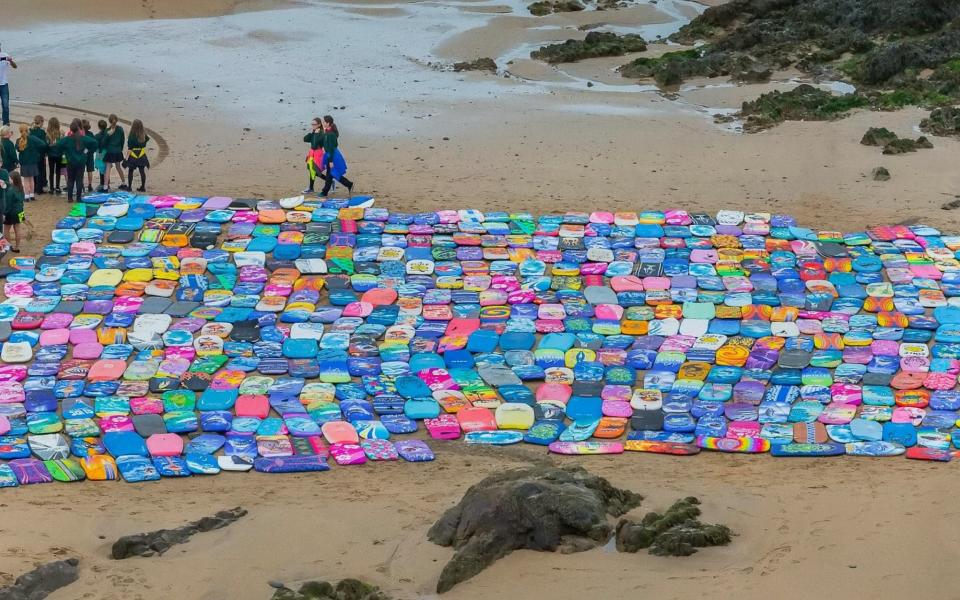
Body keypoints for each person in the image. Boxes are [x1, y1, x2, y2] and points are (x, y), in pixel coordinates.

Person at [57, 118, 97, 203]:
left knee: (70, 179)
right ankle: (78, 198)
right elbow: (95, 143)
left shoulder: (67, 139)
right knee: (79, 179)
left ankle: (70, 198)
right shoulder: (84, 138)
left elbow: (58, 145)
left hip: (71, 162)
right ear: (79, 128)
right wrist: (87, 151)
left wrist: (65, 151)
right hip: (81, 162)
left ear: (71, 129)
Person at [319, 115, 353, 197]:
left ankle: (348, 184)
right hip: (329, 154)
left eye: (324, 121)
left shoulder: (330, 134)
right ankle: (348, 184)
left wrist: (330, 161)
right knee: (330, 174)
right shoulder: (327, 132)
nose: (322, 123)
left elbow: (331, 148)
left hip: (332, 156)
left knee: (332, 173)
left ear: (328, 123)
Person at [15, 123, 46, 201]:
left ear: (20, 131)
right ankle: (32, 195)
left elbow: (18, 149)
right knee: (31, 179)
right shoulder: (33, 138)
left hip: (24, 163)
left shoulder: (19, 140)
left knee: (26, 180)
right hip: (33, 162)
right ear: (28, 130)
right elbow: (42, 144)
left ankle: (26, 196)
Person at [125, 119, 150, 192]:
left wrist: (126, 159)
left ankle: (129, 187)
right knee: (142, 171)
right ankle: (143, 187)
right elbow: (147, 139)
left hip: (133, 155)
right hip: (142, 154)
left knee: (131, 171)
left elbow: (130, 148)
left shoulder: (131, 136)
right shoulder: (143, 135)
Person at [102, 114, 125, 191]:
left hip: (110, 151)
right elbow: (123, 141)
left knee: (108, 168)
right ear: (117, 120)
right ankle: (123, 182)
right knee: (118, 167)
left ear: (109, 121)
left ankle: (105, 186)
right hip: (118, 151)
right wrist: (120, 149)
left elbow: (104, 142)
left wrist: (108, 135)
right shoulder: (120, 129)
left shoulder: (107, 131)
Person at [302, 117, 324, 194]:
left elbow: (316, 144)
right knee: (312, 171)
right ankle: (311, 188)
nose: (313, 126)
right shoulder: (313, 132)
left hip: (318, 153)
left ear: (319, 124)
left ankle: (330, 181)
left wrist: (317, 134)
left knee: (316, 171)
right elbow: (305, 139)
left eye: (314, 124)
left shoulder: (321, 133)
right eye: (312, 124)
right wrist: (311, 133)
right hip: (311, 153)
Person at [3, 171, 24, 252]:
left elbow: (8, 205)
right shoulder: (21, 188)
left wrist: (4, 214)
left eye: (9, 178)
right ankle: (17, 247)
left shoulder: (10, 191)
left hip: (11, 212)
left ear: (13, 179)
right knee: (18, 229)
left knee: (6, 229)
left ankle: (8, 246)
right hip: (21, 211)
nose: (8, 179)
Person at [29, 115, 47, 194]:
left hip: (32, 154)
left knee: (34, 172)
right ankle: (39, 189)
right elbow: (43, 144)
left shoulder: (30, 131)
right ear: (41, 122)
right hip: (40, 154)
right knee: (40, 171)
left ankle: (34, 187)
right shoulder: (42, 132)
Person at [46, 117, 63, 194]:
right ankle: (58, 187)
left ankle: (51, 188)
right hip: (59, 154)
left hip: (51, 155)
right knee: (58, 171)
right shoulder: (60, 133)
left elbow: (46, 144)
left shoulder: (47, 134)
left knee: (51, 172)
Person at [0, 44, 16, 126]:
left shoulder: (5, 55)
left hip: (4, 85)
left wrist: (11, 61)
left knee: (5, 105)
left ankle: (6, 123)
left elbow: (15, 66)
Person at [81, 119, 96, 192]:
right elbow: (94, 144)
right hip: (90, 154)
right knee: (90, 170)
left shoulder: (80, 134)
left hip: (82, 155)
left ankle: (82, 185)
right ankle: (90, 185)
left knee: (81, 170)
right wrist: (91, 151)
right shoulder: (91, 134)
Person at [94, 119, 108, 191]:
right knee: (107, 168)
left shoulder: (97, 136)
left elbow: (95, 145)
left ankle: (102, 183)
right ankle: (106, 183)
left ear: (99, 127)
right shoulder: (108, 134)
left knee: (101, 168)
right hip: (107, 153)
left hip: (100, 153)